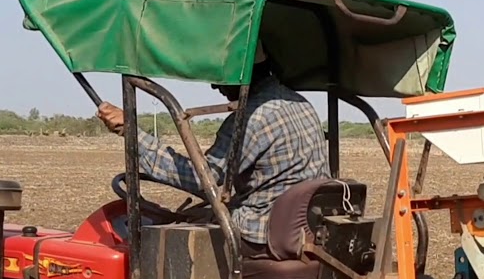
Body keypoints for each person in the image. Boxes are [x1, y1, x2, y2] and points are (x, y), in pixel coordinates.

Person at [95, 43, 330, 252]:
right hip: (303, 227)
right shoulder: (299, 103)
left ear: (237, 75)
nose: (214, 87)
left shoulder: (252, 118)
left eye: (218, 78)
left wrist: (132, 132)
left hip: (262, 230)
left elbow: (201, 179)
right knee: (197, 214)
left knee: (166, 245)